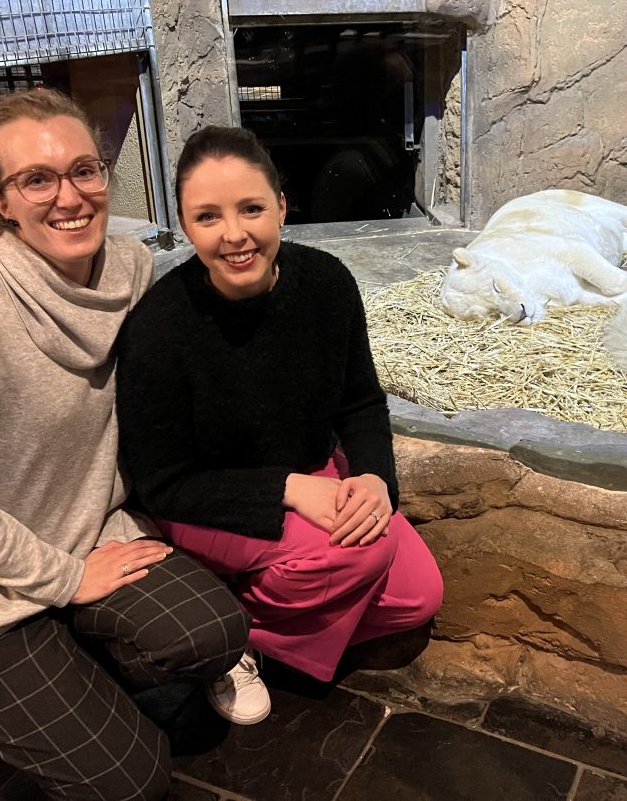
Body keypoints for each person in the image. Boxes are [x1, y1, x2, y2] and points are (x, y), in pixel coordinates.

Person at [0, 89, 253, 801]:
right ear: (1, 200)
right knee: (133, 782)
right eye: (37, 180)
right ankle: (2, 681)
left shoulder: (131, 272)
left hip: (95, 535)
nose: (70, 197)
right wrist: (62, 579)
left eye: (85, 170)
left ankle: (79, 649)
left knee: (214, 632)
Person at [115, 125, 443, 697]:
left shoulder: (328, 283)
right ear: (186, 225)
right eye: (208, 216)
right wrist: (287, 490)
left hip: (309, 476)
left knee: (419, 597)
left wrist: (372, 475)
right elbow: (163, 483)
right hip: (208, 498)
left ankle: (243, 623)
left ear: (282, 207)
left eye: (251, 209)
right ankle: (218, 634)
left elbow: (361, 399)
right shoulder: (159, 327)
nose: (234, 235)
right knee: (367, 555)